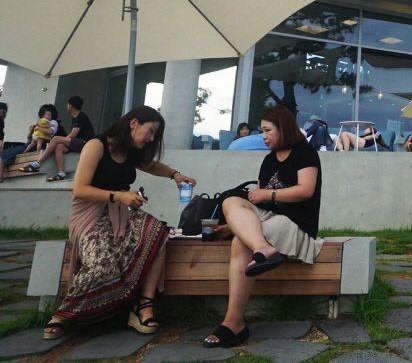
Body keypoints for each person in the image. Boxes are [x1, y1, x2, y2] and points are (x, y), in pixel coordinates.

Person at [42, 106, 196, 340]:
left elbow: (151, 165)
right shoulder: (96, 146)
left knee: (159, 233)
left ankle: (143, 305)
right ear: (134, 124)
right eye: (151, 131)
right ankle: (65, 312)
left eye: (155, 134)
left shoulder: (132, 150)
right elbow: (80, 189)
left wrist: (175, 175)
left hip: (120, 213)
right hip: (89, 214)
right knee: (102, 263)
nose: (151, 138)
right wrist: (119, 196)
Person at [203, 105, 323, 348]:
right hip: (267, 218)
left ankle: (234, 323)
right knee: (230, 201)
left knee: (241, 243)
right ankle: (262, 247)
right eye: (262, 131)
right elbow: (257, 202)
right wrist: (231, 226)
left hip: (295, 223)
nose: (263, 136)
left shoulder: (305, 152)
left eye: (268, 130)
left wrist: (268, 194)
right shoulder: (269, 160)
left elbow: (305, 190)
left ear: (283, 128)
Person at [23, 96, 95, 181]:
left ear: (70, 106)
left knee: (56, 139)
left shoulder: (80, 116)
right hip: (78, 143)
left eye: (68, 104)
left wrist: (60, 140)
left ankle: (37, 163)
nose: (67, 106)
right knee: (59, 146)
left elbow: (73, 134)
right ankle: (61, 173)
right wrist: (60, 141)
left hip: (86, 143)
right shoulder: (75, 118)